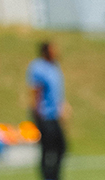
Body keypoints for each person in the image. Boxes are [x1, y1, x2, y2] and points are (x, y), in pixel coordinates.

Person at [26, 42, 68, 180]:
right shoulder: (38, 67)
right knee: (47, 150)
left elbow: (57, 92)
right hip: (45, 115)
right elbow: (36, 92)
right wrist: (36, 115)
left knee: (61, 147)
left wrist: (62, 107)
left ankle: (55, 176)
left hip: (55, 115)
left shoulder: (54, 66)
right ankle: (47, 177)